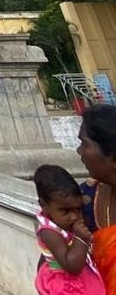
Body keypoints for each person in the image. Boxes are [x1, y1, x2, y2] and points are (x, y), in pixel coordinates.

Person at [33, 164, 104, 294]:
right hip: (65, 284)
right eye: (65, 211)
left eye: (78, 209)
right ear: (44, 205)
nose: (74, 217)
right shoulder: (49, 232)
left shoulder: (63, 222)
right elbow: (72, 266)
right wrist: (81, 238)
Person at [78, 104, 116, 291]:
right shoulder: (84, 199)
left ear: (112, 156)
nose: (80, 151)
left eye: (85, 143)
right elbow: (50, 263)